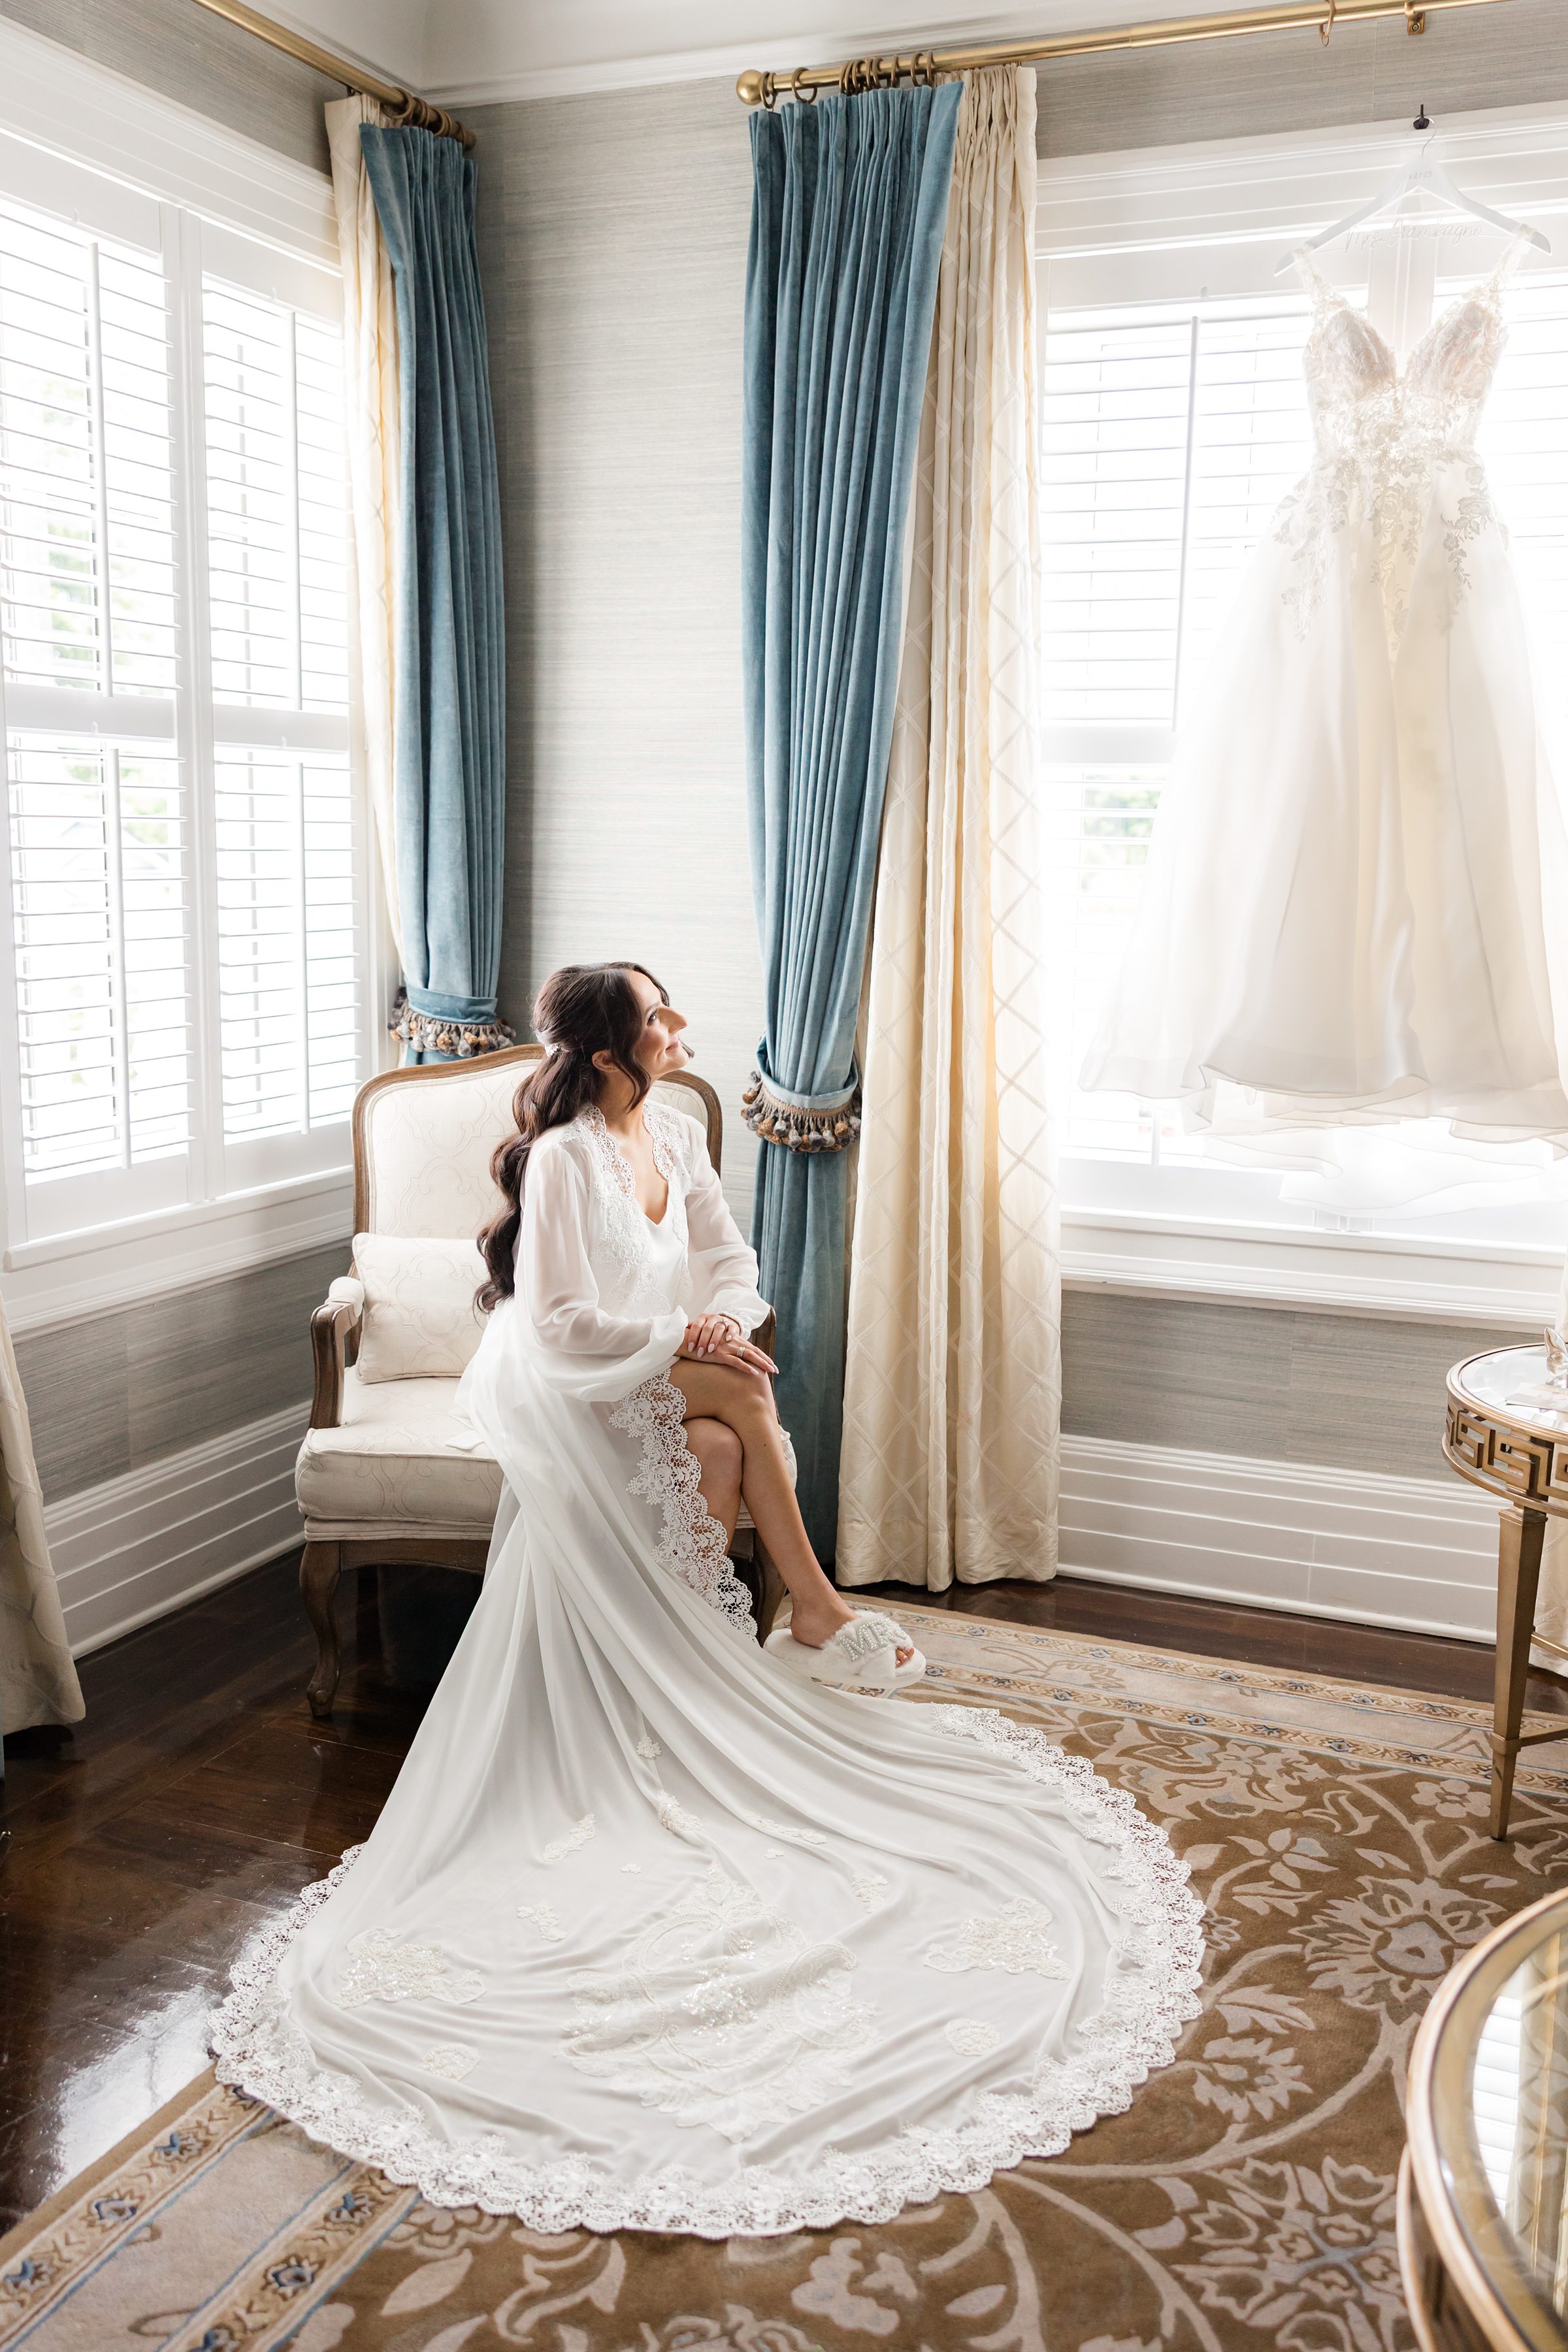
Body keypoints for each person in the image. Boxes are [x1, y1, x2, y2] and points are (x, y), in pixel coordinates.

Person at [212, 961, 1203, 2238]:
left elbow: (730, 1264)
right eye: (660, 1016)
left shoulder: (674, 1132)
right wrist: (685, 1346)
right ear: (616, 1046)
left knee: (736, 1435)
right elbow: (559, 1322)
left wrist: (720, 1323)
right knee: (737, 1407)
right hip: (561, 1379)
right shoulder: (566, 1159)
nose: (681, 1027)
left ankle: (795, 1615)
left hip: (662, 1369)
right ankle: (816, 1608)